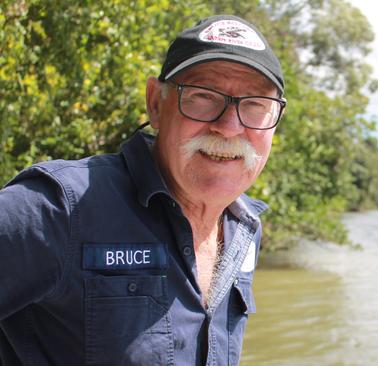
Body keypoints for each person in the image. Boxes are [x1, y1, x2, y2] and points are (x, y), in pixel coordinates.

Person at [0, 14, 286, 365]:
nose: (228, 127)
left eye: (255, 104)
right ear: (155, 103)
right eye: (203, 97)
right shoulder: (60, 208)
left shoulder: (245, 229)